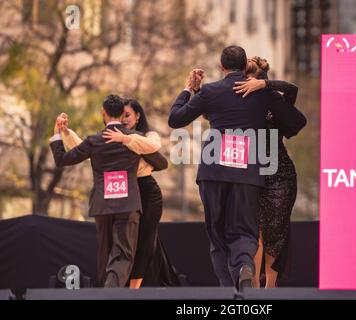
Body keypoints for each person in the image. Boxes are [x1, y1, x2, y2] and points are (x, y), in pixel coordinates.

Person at [168, 46, 307, 290]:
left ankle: (228, 287)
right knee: (244, 230)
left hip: (214, 171)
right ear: (245, 67)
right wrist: (266, 88)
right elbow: (297, 119)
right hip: (246, 173)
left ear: (221, 67)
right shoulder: (261, 96)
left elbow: (176, 119)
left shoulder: (211, 91)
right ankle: (244, 267)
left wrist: (189, 89)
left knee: (218, 232)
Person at [58, 99, 180, 288]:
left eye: (127, 115)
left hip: (145, 192)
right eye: (121, 115)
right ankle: (116, 289)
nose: (123, 120)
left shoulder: (142, 137)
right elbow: (86, 148)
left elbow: (160, 160)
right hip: (123, 195)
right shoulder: (105, 138)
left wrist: (126, 140)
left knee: (144, 242)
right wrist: (66, 133)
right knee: (120, 247)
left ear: (137, 116)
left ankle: (131, 288)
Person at [233, 57, 304, 288]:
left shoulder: (273, 100)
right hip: (251, 176)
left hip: (280, 177)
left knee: (276, 234)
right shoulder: (238, 102)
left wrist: (265, 85)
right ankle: (253, 288)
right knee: (254, 233)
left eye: (249, 81)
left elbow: (292, 90)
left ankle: (270, 289)